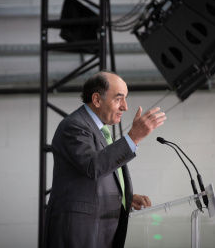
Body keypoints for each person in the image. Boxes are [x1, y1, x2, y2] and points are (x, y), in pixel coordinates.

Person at [43, 71, 166, 248]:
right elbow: (93, 167)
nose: (125, 107)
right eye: (119, 99)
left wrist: (124, 198)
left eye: (125, 99)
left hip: (100, 232)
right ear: (97, 99)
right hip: (78, 233)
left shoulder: (100, 130)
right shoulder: (74, 125)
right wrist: (133, 137)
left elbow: (99, 176)